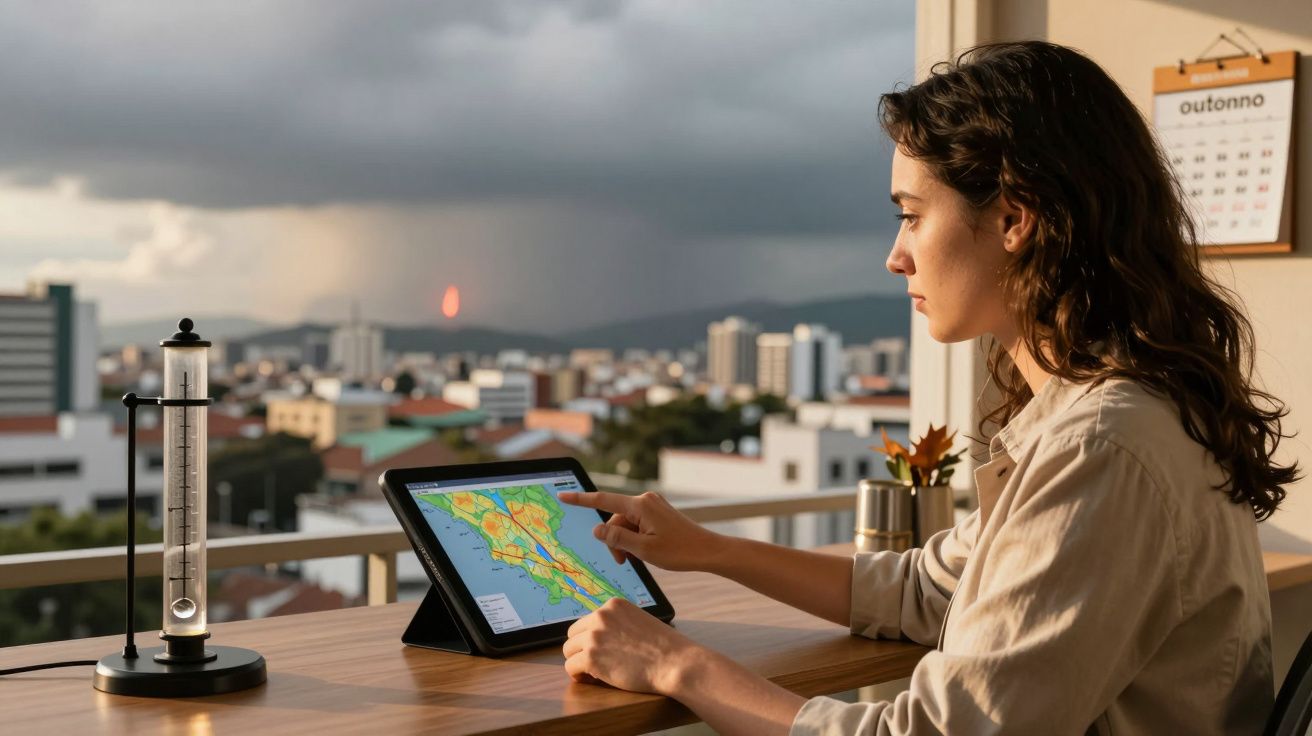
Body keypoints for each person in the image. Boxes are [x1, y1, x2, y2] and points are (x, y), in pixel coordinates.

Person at [557, 40, 1298, 735]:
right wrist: (709, 548)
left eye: (912, 216)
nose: (896, 257)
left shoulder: (1103, 446)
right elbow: (922, 590)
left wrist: (673, 663)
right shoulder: (1102, 415)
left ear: (1013, 217)